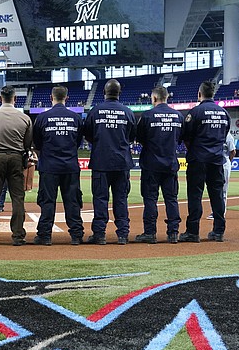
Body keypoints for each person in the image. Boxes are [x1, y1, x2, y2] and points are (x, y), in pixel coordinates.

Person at [81, 79, 136, 245]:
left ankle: (99, 235)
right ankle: (123, 234)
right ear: (119, 93)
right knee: (121, 199)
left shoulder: (95, 111)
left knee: (100, 199)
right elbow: (131, 137)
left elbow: (88, 135)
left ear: (104, 92)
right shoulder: (128, 112)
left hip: (101, 162)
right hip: (122, 162)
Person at [32, 85, 84, 246]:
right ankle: (76, 235)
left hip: (49, 167)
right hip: (70, 166)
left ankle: (45, 235)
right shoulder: (75, 117)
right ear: (66, 98)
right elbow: (78, 142)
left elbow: (37, 143)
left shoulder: (42, 117)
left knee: (47, 201)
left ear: (51, 98)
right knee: (72, 201)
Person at [0, 85, 32, 246]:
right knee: (17, 197)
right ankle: (18, 236)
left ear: (0, 98)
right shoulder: (24, 118)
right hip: (17, 157)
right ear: (15, 99)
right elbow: (28, 143)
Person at [179, 81, 230, 243]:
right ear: (212, 94)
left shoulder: (195, 112)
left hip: (198, 159)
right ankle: (219, 231)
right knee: (217, 196)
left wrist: (194, 150)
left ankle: (193, 232)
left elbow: (186, 138)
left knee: (195, 196)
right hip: (217, 160)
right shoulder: (224, 113)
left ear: (199, 94)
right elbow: (225, 135)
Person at [134, 86, 184, 244]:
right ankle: (173, 233)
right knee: (171, 199)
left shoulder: (147, 115)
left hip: (151, 164)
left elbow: (139, 138)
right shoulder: (178, 116)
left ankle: (150, 233)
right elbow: (181, 139)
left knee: (150, 199)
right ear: (167, 97)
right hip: (170, 164)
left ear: (154, 98)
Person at [208, 130, 236, 220]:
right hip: (214, 163)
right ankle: (214, 211)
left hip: (224, 163)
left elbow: (233, 151)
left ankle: (221, 212)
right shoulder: (212, 133)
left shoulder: (228, 136)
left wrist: (228, 162)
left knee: (223, 189)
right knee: (214, 189)